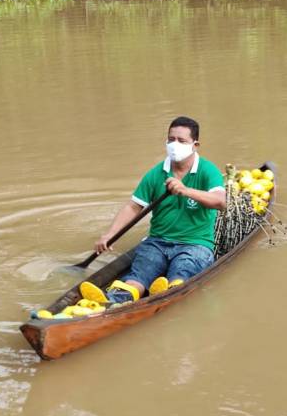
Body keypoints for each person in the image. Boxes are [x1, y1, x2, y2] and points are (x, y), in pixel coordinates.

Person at [80, 116, 226, 305]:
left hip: (194, 244)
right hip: (157, 242)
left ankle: (169, 291)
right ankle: (115, 300)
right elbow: (133, 207)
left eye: (181, 141)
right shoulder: (156, 173)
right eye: (171, 139)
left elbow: (220, 202)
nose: (174, 144)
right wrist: (109, 235)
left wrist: (185, 190)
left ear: (195, 145)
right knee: (140, 272)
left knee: (183, 270)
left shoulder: (208, 170)